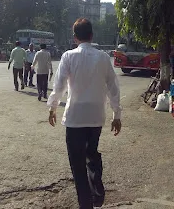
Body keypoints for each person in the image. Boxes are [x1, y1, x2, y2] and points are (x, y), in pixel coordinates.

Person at [47, 18, 122, 209]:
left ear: (75, 38)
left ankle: (86, 204)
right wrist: (117, 115)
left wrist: (53, 107)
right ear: (92, 35)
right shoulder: (104, 57)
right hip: (96, 116)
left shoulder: (68, 56)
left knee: (77, 165)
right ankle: (97, 191)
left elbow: (59, 85)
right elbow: (113, 87)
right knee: (92, 154)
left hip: (75, 118)